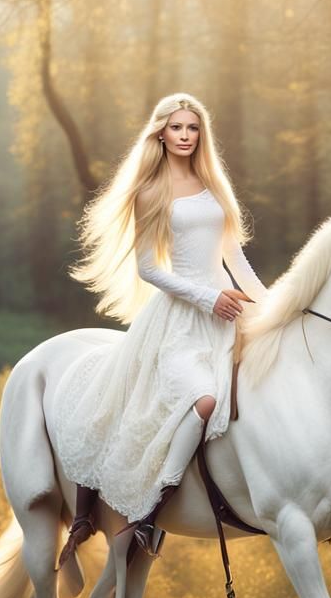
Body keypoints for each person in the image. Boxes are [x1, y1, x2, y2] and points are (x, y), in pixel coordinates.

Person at [52, 93, 268, 556]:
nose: (186, 136)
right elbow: (150, 270)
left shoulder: (214, 185)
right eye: (177, 128)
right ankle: (152, 510)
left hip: (227, 313)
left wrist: (270, 307)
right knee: (205, 400)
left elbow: (236, 259)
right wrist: (210, 298)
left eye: (193, 128)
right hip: (180, 320)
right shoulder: (151, 191)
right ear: (161, 133)